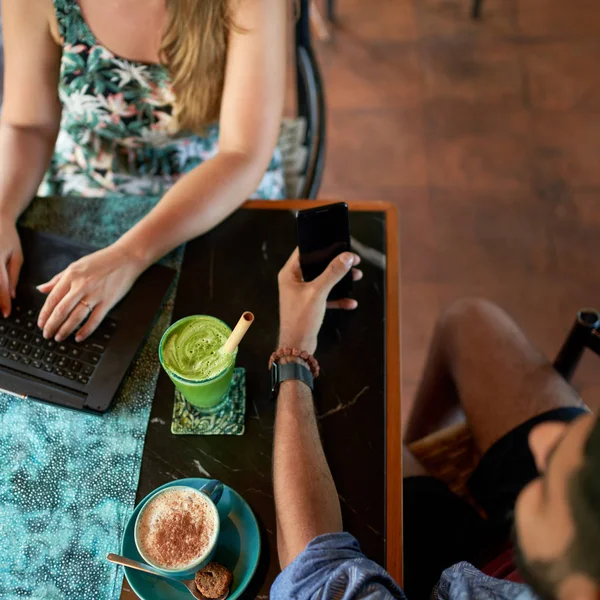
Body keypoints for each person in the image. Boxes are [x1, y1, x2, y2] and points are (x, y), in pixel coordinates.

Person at [270, 250, 600, 600]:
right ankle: (419, 455)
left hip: (450, 575)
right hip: (512, 566)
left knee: (355, 442)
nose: (543, 438)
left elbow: (315, 575)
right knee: (470, 319)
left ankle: (416, 467)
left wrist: (294, 349)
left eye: (564, 488)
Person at [0, 0, 287, 341]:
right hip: (89, 177)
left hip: (216, 180)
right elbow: (27, 124)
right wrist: (2, 213)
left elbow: (242, 153)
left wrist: (129, 255)